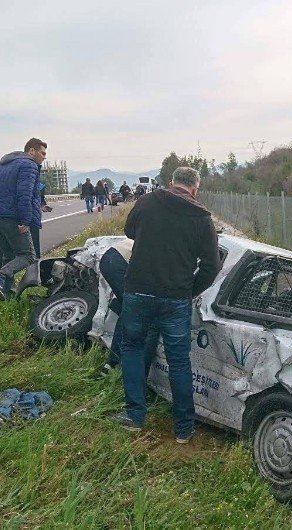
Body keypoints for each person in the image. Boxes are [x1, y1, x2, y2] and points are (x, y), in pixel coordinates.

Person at [110, 166, 219, 444]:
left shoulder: (147, 201)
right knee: (179, 359)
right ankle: (183, 428)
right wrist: (189, 290)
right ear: (196, 188)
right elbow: (211, 266)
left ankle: (134, 416)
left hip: (139, 290)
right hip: (176, 297)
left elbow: (129, 231)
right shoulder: (202, 218)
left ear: (172, 183)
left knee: (133, 348)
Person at [0, 138, 46, 300]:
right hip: (12, 217)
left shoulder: (3, 165)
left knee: (8, 255)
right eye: (42, 152)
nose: (44, 157)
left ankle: (8, 294)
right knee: (27, 255)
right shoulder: (29, 165)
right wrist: (25, 220)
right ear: (31, 151)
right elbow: (24, 195)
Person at [96, 237, 135, 376]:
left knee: (126, 305)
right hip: (117, 261)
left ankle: (112, 361)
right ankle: (112, 362)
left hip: (111, 257)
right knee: (131, 309)